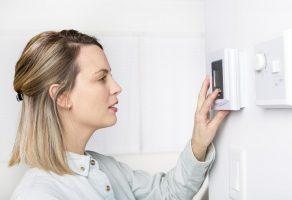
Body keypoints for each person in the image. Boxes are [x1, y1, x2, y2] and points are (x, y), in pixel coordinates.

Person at [9, 29, 230, 200]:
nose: (116, 87)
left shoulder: (106, 168)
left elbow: (168, 193)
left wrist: (199, 143)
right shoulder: (38, 194)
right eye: (101, 78)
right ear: (62, 96)